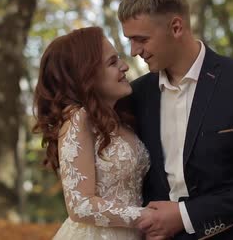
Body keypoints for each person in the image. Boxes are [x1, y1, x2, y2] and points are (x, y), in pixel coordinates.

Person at [117, 0, 233, 239]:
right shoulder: (137, 93)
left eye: (141, 39)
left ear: (176, 27)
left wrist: (186, 215)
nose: (133, 51)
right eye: (130, 40)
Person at [33, 27, 157, 240]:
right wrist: (147, 216)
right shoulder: (78, 119)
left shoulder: (119, 117)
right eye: (112, 62)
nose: (124, 66)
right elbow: (79, 205)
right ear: (86, 75)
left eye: (118, 59)